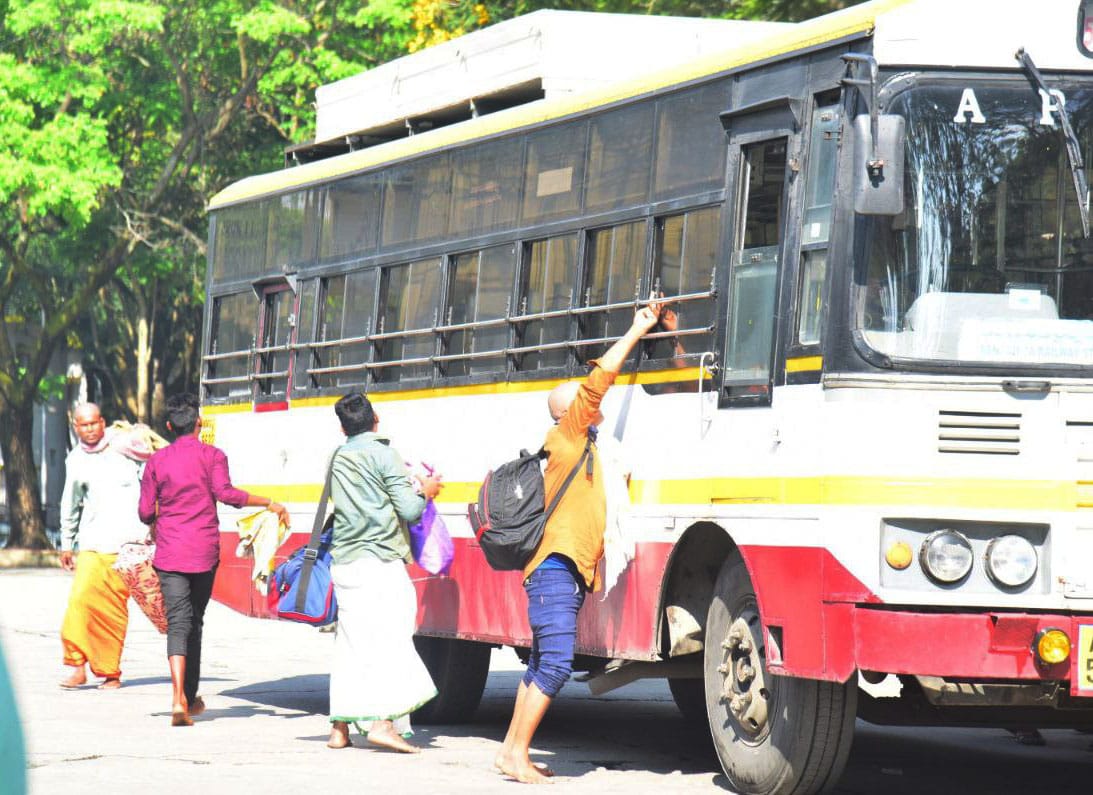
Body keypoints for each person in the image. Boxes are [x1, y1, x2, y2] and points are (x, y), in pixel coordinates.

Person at [496, 296, 662, 783]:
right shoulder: (568, 436)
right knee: (555, 665)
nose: (597, 404)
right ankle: (516, 753)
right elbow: (600, 378)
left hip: (557, 570)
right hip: (555, 568)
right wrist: (637, 329)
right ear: (571, 412)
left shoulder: (583, 446)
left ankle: (511, 752)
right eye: (587, 401)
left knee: (541, 663)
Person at [138, 393, 289, 726]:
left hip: (170, 553)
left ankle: (178, 698)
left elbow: (145, 512)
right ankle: (189, 697)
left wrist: (162, 512)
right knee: (195, 621)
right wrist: (268, 502)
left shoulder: (156, 462)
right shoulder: (214, 455)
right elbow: (227, 494)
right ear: (199, 423)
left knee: (178, 623)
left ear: (168, 427)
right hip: (203, 552)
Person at [325, 392, 443, 753]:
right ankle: (382, 723)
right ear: (375, 420)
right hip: (379, 561)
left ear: (342, 427)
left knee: (350, 643)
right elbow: (408, 509)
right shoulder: (384, 454)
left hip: (345, 562)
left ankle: (339, 729)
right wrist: (427, 491)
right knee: (390, 640)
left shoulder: (338, 456)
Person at [58, 403, 151, 690]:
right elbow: (70, 503)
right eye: (83, 425)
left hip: (128, 545)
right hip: (92, 543)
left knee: (113, 611)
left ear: (103, 422)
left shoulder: (127, 447)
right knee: (79, 602)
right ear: (76, 427)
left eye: (93, 423)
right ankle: (76, 666)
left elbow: (154, 480)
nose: (89, 429)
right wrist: (66, 543)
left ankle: (110, 673)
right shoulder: (75, 460)